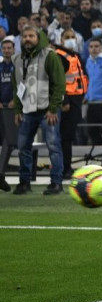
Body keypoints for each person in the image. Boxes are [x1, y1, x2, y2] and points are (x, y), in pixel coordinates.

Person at [11, 26, 66, 195]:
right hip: (27, 110)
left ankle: (56, 183)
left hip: (47, 109)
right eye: (25, 36)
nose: (27, 39)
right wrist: (18, 110)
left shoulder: (50, 56)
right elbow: (16, 86)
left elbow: (59, 84)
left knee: (53, 147)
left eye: (31, 36)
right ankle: (24, 182)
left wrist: (53, 108)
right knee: (23, 148)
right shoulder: (17, 59)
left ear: (38, 38)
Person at [55, 28, 89, 179]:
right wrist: (64, 100)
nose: (70, 39)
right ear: (61, 40)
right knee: (65, 136)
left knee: (68, 136)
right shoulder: (59, 56)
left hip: (77, 100)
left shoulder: (76, 55)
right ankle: (64, 168)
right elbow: (57, 80)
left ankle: (66, 167)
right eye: (67, 37)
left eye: (73, 37)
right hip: (67, 101)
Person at [84, 37, 102, 146]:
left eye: (96, 46)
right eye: (91, 47)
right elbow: (91, 81)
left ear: (101, 47)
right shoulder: (88, 61)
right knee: (92, 130)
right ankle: (99, 151)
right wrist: (86, 96)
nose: (93, 49)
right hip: (91, 102)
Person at [0, 36, 15, 191]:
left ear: (14, 49)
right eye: (4, 48)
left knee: (9, 140)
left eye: (9, 48)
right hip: (0, 107)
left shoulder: (18, 66)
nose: (6, 50)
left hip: (12, 109)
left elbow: (23, 85)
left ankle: (1, 173)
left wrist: (16, 101)